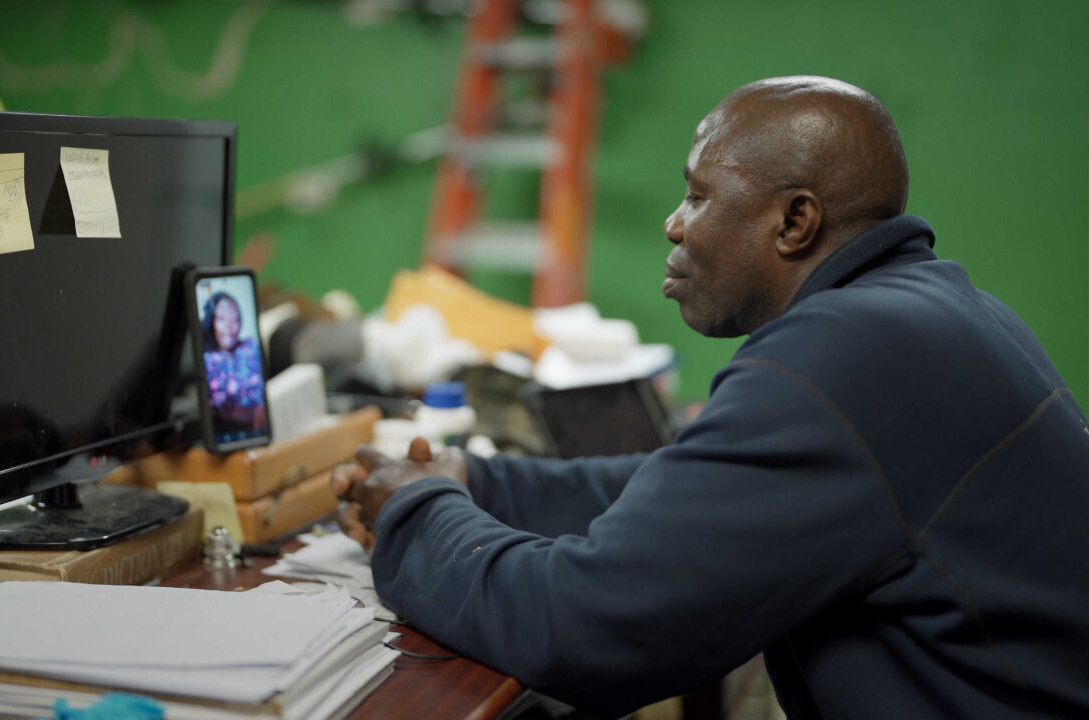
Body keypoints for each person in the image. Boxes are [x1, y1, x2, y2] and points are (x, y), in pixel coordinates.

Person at [331, 76, 1089, 718]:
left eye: (698, 195)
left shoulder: (839, 355)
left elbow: (588, 629)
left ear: (795, 222)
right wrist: (482, 482)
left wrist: (415, 512)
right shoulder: (932, 310)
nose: (674, 222)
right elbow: (696, 494)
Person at [200, 290, 267, 432]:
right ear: (211, 321)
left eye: (235, 319)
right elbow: (221, 410)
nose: (229, 326)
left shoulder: (251, 348)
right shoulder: (208, 360)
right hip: (229, 431)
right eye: (222, 319)